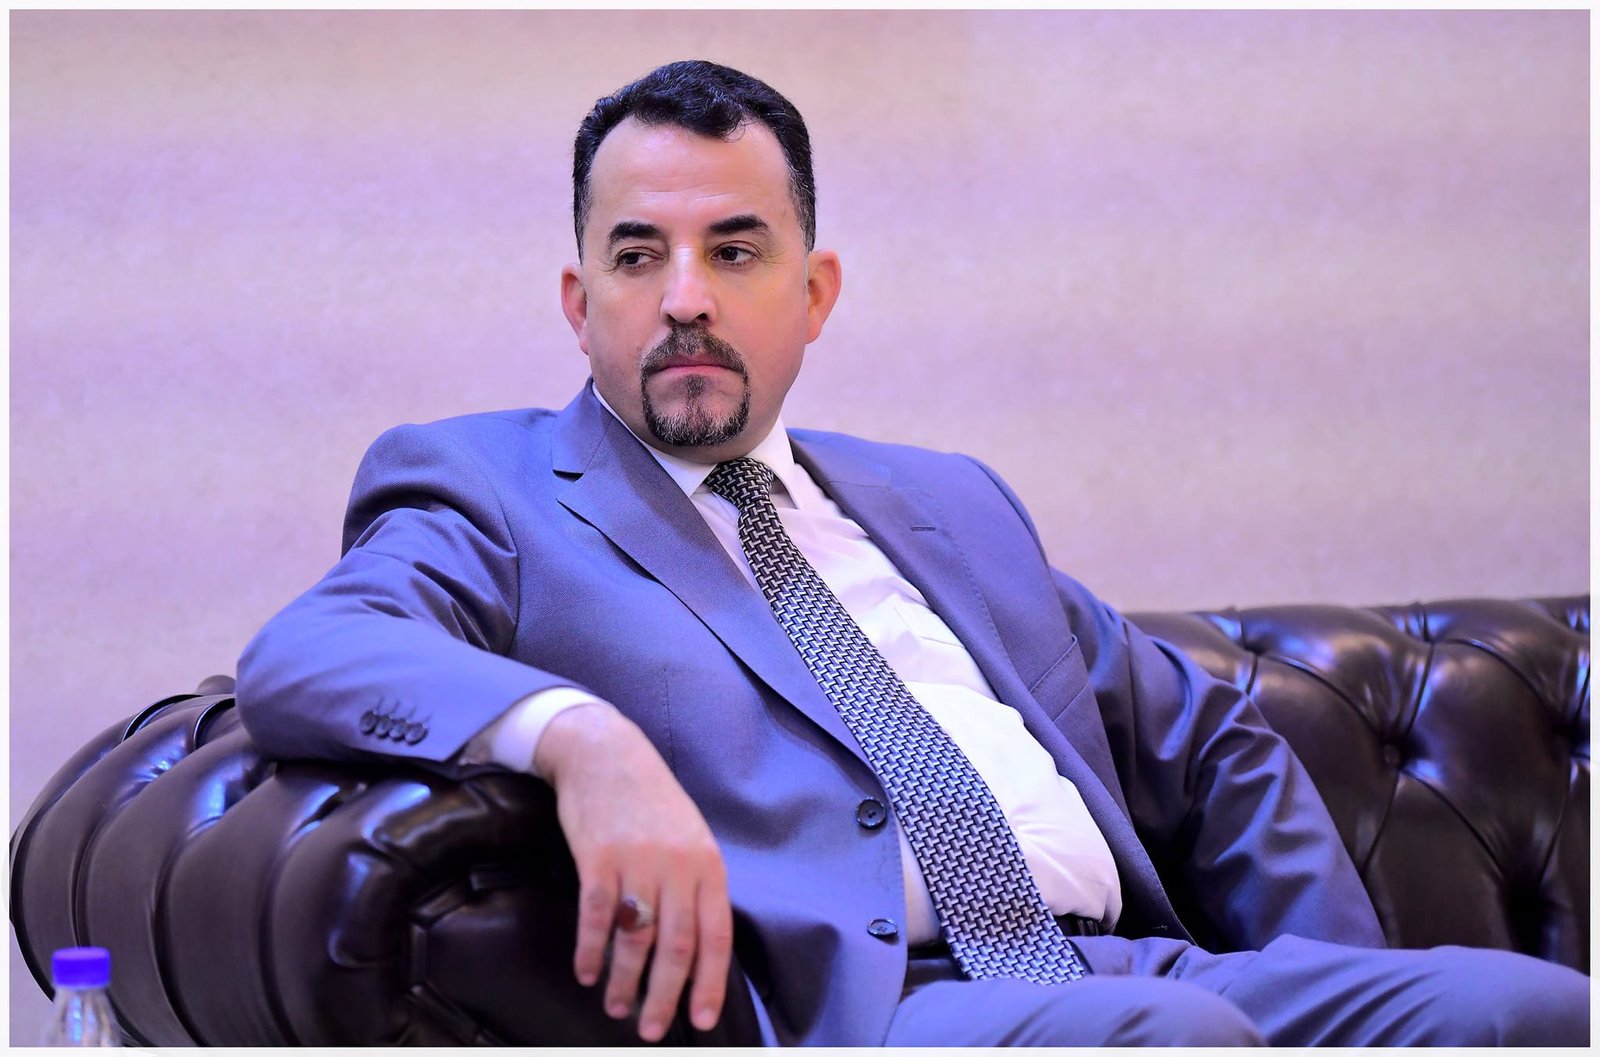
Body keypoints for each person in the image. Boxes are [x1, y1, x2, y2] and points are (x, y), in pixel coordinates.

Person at [235, 60, 1588, 1047]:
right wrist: (580, 739)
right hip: (874, 1006)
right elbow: (310, 650)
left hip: (1147, 973)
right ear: (580, 304)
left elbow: (1203, 737)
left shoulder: (949, 502)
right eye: (639, 257)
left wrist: (1328, 976)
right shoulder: (493, 487)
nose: (686, 297)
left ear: (814, 292)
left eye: (735, 249)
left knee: (1533, 1012)